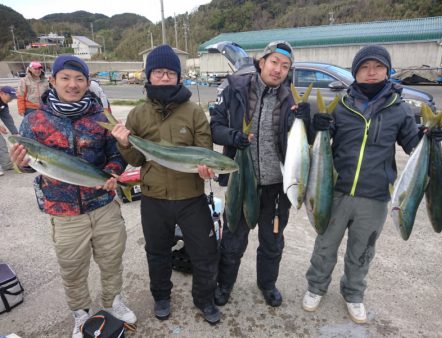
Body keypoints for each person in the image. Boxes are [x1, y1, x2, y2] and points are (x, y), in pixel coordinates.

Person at [301, 45, 442, 324]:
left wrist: (429, 139)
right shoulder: (341, 105)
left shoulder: (400, 110)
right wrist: (317, 125)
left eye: (377, 67)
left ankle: (354, 293)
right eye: (365, 67)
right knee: (325, 244)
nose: (371, 72)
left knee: (363, 250)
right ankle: (316, 287)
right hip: (336, 191)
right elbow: (318, 144)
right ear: (355, 72)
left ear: (386, 71)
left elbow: (412, 145)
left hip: (376, 195)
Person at [9, 55, 136, 338]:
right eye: (65, 77)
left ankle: (113, 302)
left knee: (112, 257)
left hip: (103, 205)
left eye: (80, 79)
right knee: (72, 266)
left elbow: (116, 154)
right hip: (63, 210)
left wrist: (113, 173)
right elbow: (28, 165)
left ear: (88, 83)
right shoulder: (35, 120)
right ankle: (81, 314)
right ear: (52, 80)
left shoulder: (101, 117)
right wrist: (18, 161)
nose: (73, 84)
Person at [111, 44, 221, 325]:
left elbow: (204, 150)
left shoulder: (194, 112)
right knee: (157, 252)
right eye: (158, 72)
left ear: (178, 77)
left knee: (205, 253)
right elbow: (136, 158)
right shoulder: (138, 114)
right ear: (149, 76)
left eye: (169, 72)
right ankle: (161, 296)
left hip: (191, 198)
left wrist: (207, 170)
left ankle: (204, 299)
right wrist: (124, 144)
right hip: (154, 198)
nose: (163, 77)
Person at [210, 41, 310, 307]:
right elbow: (214, 126)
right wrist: (234, 136)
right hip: (241, 182)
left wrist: (310, 121)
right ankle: (224, 284)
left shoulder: (292, 99)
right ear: (261, 62)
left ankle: (267, 284)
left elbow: (304, 142)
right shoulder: (235, 89)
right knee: (233, 239)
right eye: (274, 62)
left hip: (277, 186)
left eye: (285, 66)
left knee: (273, 241)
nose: (278, 69)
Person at [0, 86, 19, 176]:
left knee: (2, 143)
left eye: (12, 97)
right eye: (10, 97)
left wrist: (15, 132)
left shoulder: (3, 104)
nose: (11, 99)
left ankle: (6, 165)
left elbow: (7, 118)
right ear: (2, 93)